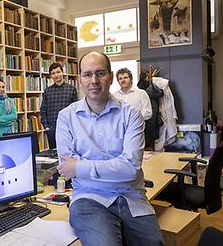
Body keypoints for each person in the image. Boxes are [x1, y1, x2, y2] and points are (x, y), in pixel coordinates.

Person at [56, 52, 164, 246]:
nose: (93, 80)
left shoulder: (131, 115)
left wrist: (80, 167)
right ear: (80, 78)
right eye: (87, 74)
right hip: (88, 198)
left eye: (100, 73)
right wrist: (115, 167)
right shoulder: (66, 117)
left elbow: (130, 169)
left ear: (111, 76)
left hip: (130, 195)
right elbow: (66, 167)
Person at [40, 62, 78, 148]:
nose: (56, 75)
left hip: (68, 128)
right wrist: (46, 127)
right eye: (53, 73)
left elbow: (75, 110)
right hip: (52, 128)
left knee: (68, 153)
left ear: (62, 72)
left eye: (58, 72)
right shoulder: (47, 91)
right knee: (53, 155)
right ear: (50, 76)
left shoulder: (71, 89)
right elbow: (43, 110)